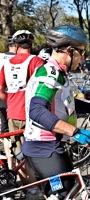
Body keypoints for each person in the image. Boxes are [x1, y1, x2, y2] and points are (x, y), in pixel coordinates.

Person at [22, 25, 90, 199]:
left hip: (50, 146)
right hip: (45, 148)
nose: (82, 58)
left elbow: (68, 104)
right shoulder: (49, 75)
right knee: (63, 195)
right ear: (69, 50)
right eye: (81, 52)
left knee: (67, 191)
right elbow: (36, 111)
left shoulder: (58, 73)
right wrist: (75, 131)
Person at [0, 30, 45, 198]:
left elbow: (1, 90)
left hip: (13, 114)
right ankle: (41, 186)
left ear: (16, 45)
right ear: (31, 45)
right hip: (34, 114)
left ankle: (31, 191)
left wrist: (11, 102)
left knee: (20, 155)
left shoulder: (7, 64)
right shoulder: (37, 61)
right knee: (39, 152)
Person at [0, 35, 16, 174]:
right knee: (16, 134)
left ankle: (10, 167)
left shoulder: (0, 57)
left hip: (1, 99)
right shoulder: (19, 59)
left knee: (5, 133)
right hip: (14, 101)